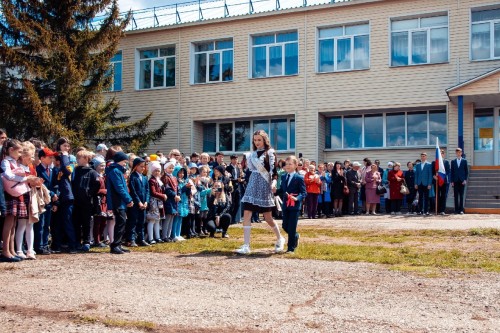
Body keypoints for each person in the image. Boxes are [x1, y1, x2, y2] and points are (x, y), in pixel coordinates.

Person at [236, 130, 285, 255]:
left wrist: (274, 183)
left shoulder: (270, 153)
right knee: (247, 213)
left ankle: (280, 239)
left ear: (264, 140)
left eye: (259, 140)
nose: (257, 142)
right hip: (252, 185)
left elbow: (274, 173)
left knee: (268, 217)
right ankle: (246, 245)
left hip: (264, 185)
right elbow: (249, 171)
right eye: (255, 140)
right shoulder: (251, 155)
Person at [1, 139, 40, 262]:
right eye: (18, 152)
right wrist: (24, 178)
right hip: (10, 194)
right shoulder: (5, 161)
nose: (20, 154)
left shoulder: (14, 162)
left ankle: (12, 250)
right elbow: (8, 175)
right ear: (11, 150)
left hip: (17, 193)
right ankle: (6, 251)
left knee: (13, 224)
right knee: (9, 223)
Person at [15, 141, 42, 260]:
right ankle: (19, 249)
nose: (32, 158)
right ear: (23, 156)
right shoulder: (18, 166)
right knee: (21, 224)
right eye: (30, 156)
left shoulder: (31, 167)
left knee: (30, 224)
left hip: (31, 196)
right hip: (21, 195)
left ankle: (30, 250)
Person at [52, 137, 78, 254]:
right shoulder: (55, 160)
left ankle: (72, 245)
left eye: (68, 146)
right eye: (64, 146)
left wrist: (65, 156)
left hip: (67, 195)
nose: (66, 148)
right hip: (56, 195)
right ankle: (56, 245)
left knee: (67, 221)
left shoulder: (69, 159)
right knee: (56, 223)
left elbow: (68, 171)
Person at [72, 149, 101, 252]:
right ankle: (77, 241)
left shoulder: (92, 172)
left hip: (87, 202)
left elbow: (97, 184)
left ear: (85, 159)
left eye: (79, 158)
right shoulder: (76, 170)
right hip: (76, 201)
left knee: (86, 222)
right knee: (76, 222)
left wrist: (89, 193)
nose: (77, 160)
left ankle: (86, 241)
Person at [106, 151, 134, 254]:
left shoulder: (118, 171)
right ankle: (115, 245)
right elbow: (119, 187)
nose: (125, 164)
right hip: (116, 201)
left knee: (121, 222)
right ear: (120, 161)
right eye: (124, 161)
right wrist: (128, 199)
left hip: (120, 201)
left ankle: (118, 244)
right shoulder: (115, 171)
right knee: (120, 222)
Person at [279, 156, 306, 253]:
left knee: (292, 227)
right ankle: (295, 236)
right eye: (286, 164)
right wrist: (274, 191)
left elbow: (303, 193)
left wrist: (297, 198)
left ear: (295, 165)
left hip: (294, 206)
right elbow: (282, 190)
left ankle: (290, 248)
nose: (288, 166)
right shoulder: (283, 176)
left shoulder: (299, 178)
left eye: (290, 164)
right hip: (286, 205)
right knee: (285, 226)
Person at [34, 147, 58, 255]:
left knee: (47, 224)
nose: (52, 159)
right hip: (41, 199)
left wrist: (55, 196)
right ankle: (38, 245)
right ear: (42, 158)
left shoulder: (52, 170)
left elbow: (54, 184)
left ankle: (45, 244)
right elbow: (41, 185)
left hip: (49, 201)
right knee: (40, 224)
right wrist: (52, 194)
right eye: (49, 157)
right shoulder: (37, 170)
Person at [126, 157, 150, 247]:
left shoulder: (144, 177)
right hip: (135, 204)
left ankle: (141, 238)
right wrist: (138, 202)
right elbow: (133, 191)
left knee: (141, 221)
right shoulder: (133, 177)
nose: (143, 168)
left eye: (144, 166)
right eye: (141, 166)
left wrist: (146, 202)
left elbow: (148, 191)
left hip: (143, 203)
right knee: (133, 221)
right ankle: (131, 239)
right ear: (135, 166)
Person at [147, 161, 165, 244]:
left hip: (159, 202)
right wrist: (162, 196)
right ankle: (150, 238)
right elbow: (153, 192)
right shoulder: (151, 180)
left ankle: (157, 237)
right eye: (155, 170)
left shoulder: (158, 180)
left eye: (158, 170)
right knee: (152, 220)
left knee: (157, 220)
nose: (157, 172)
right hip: (154, 202)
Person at [91, 156, 108, 247]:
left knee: (104, 221)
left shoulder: (103, 176)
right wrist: (104, 191)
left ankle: (99, 239)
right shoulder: (95, 176)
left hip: (104, 201)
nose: (103, 167)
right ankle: (96, 241)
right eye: (101, 165)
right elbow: (94, 190)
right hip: (97, 201)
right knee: (97, 221)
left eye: (104, 165)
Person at [161, 161, 180, 242]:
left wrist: (178, 195)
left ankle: (168, 236)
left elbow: (177, 188)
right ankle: (164, 236)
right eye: (170, 168)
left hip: (174, 200)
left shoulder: (174, 178)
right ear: (165, 169)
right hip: (168, 200)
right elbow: (167, 189)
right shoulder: (165, 178)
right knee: (168, 218)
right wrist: (174, 195)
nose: (171, 169)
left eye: (172, 168)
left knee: (172, 217)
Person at [432, 149, 451, 215]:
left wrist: (442, 176)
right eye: (439, 153)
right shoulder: (434, 162)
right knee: (437, 195)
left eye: (442, 153)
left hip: (443, 181)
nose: (441, 154)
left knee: (443, 195)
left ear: (443, 154)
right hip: (436, 181)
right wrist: (434, 176)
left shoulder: (446, 162)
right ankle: (437, 209)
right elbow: (432, 172)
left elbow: (448, 171)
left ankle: (442, 210)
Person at [450, 148, 468, 215]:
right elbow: (452, 172)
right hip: (455, 180)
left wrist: (465, 179)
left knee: (461, 196)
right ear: (456, 153)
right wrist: (452, 181)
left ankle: (461, 210)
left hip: (462, 181)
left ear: (461, 153)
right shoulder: (453, 161)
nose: (458, 153)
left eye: (459, 152)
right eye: (457, 152)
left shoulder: (464, 161)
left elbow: (466, 171)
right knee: (456, 196)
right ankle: (456, 210)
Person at [226, 154, 242, 224]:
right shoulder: (228, 168)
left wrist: (241, 180)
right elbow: (228, 178)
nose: (235, 161)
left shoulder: (238, 168)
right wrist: (236, 180)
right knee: (231, 203)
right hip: (231, 187)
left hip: (237, 187)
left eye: (236, 159)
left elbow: (239, 178)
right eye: (234, 159)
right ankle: (230, 218)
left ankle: (234, 218)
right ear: (231, 160)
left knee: (238, 203)